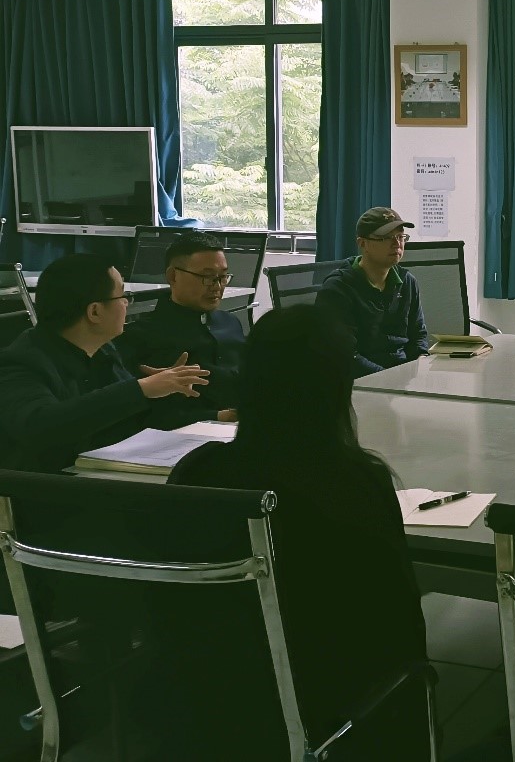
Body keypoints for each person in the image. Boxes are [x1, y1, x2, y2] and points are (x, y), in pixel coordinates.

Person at [162, 305, 430, 758]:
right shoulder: (354, 483)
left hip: (211, 698)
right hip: (331, 700)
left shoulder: (197, 472)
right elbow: (399, 622)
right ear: (336, 388)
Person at [0, 253, 209, 473]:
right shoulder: (21, 363)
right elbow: (40, 426)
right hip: (47, 487)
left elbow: (130, 417)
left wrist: (165, 392)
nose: (126, 302)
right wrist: (141, 389)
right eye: (122, 295)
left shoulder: (103, 350)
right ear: (95, 311)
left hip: (102, 474)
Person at [115, 231, 245, 427]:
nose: (217, 286)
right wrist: (217, 416)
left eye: (223, 277)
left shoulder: (230, 323)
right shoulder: (141, 336)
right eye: (207, 277)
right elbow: (148, 415)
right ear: (173, 276)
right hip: (187, 433)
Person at [316, 206, 428, 378]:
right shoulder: (338, 288)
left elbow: (418, 334)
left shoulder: (407, 281)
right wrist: (387, 379)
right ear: (363, 243)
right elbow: (345, 355)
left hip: (400, 376)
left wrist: (421, 361)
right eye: (386, 238)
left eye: (400, 237)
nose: (397, 244)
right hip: (359, 381)